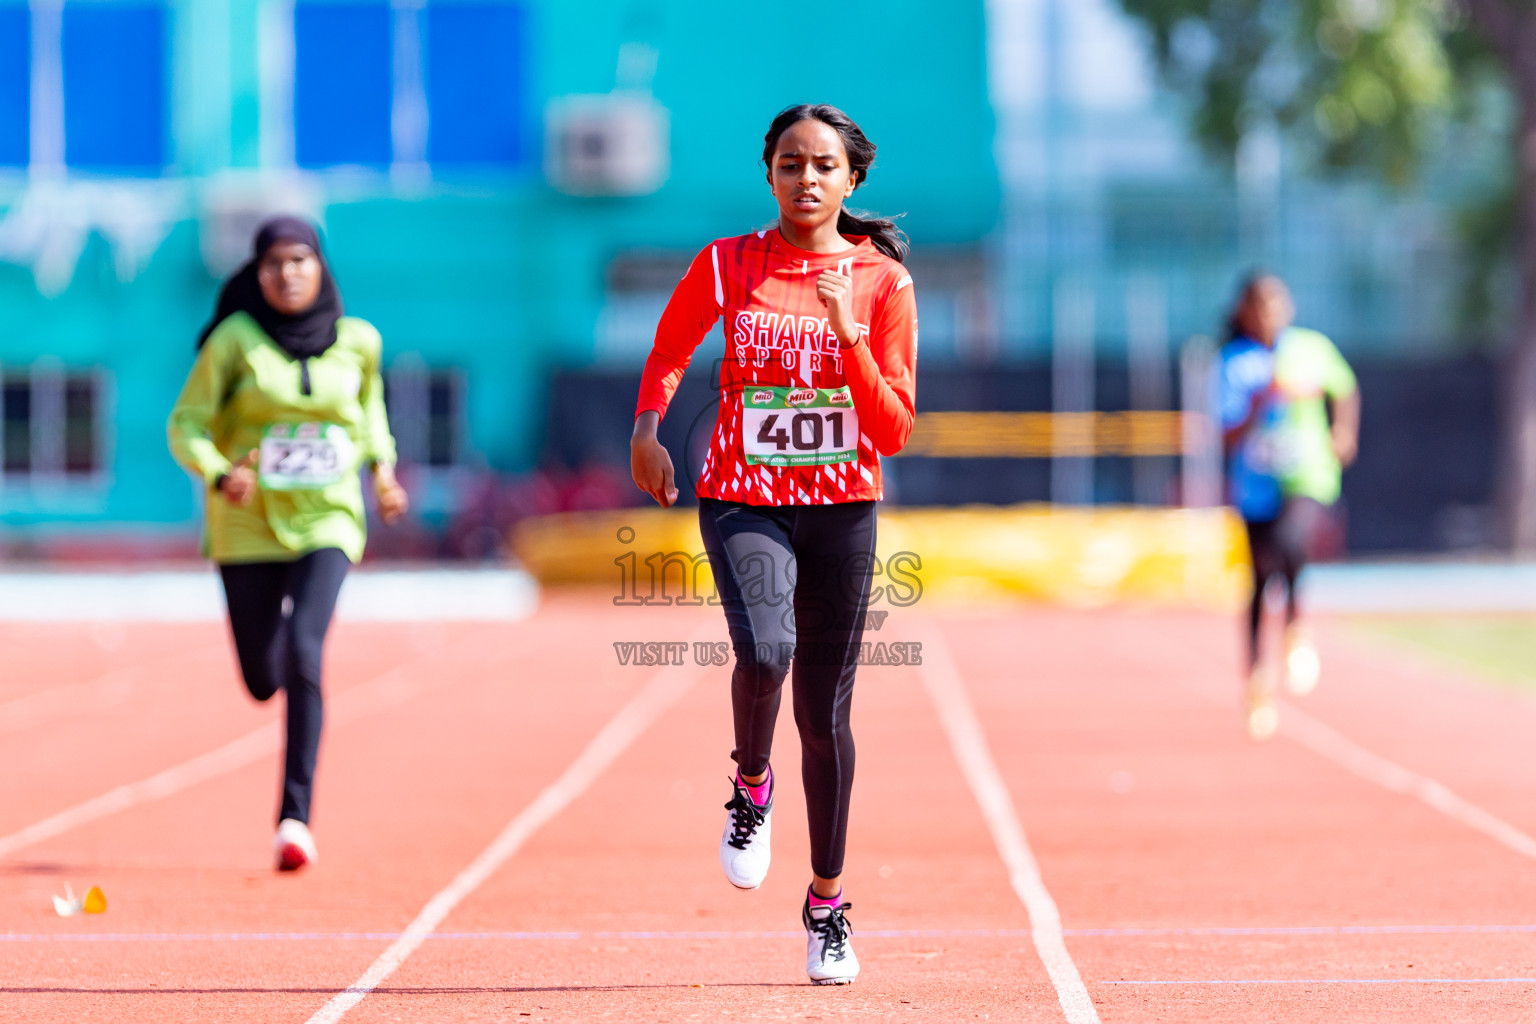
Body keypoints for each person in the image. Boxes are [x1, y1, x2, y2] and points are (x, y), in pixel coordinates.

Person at [630, 104, 917, 985]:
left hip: (841, 504)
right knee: (766, 651)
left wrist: (845, 332)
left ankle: (827, 904)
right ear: (769, 172)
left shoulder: (882, 285)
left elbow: (894, 428)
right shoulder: (726, 262)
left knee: (825, 715)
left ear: (852, 180)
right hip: (743, 494)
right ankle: (750, 785)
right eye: (791, 163)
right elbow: (671, 346)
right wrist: (647, 429)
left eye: (824, 165)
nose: (807, 179)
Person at [168, 216, 407, 870]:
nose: (288, 273)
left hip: (328, 517)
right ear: (257, 273)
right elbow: (185, 424)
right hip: (246, 524)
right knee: (261, 677)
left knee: (306, 649)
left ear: (320, 266)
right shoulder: (234, 342)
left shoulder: (360, 342)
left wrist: (383, 470)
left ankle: (294, 820)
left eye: (300, 259)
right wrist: (220, 474)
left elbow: (369, 413)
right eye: (274, 263)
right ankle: (270, 670)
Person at [1218, 273, 1359, 740]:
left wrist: (1343, 432)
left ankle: (1297, 627)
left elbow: (1345, 386)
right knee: (1260, 578)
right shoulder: (1234, 363)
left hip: (1307, 472)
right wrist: (1260, 402)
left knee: (1291, 541)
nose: (1270, 314)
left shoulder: (1310, 348)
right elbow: (1226, 434)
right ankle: (1257, 678)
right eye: (1261, 306)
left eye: (1277, 304)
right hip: (1256, 482)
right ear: (1245, 312)